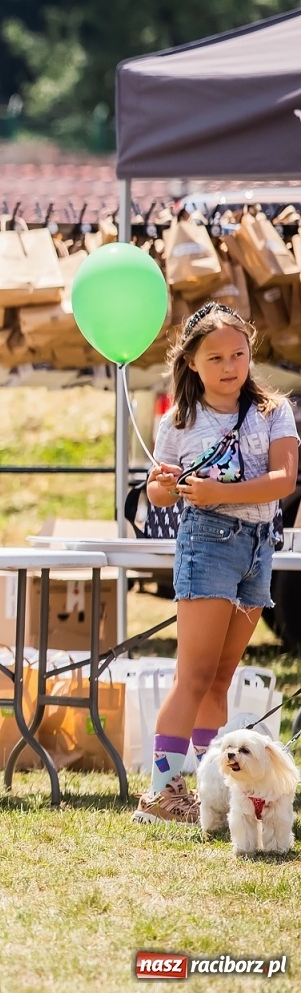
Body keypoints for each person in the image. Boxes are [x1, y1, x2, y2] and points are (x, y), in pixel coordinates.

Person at [135, 302, 297, 825]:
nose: (230, 366)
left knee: (221, 676)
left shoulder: (274, 411)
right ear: (191, 363)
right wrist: (165, 485)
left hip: (259, 545)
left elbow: (283, 481)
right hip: (207, 544)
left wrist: (217, 491)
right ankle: (161, 792)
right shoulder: (178, 420)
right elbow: (159, 495)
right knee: (195, 675)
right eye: (216, 358)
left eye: (239, 355)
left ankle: (214, 794)